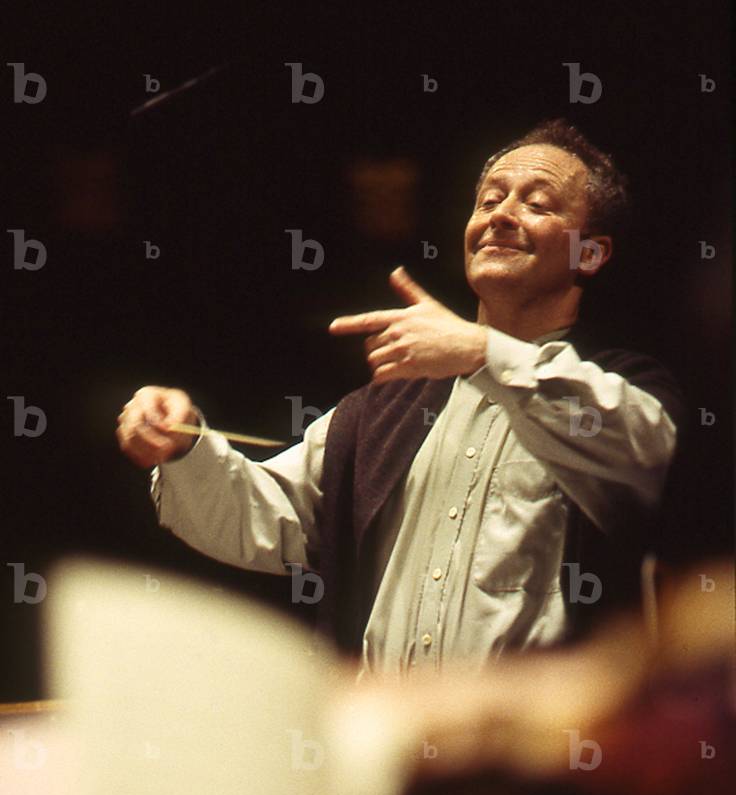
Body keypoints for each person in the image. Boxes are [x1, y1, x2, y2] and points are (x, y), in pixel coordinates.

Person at [116, 119, 684, 674]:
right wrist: (183, 444)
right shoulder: (388, 405)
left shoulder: (620, 387)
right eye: (488, 201)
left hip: (535, 746)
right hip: (393, 734)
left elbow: (647, 452)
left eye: (537, 204)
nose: (501, 216)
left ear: (590, 253)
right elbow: (265, 515)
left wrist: (485, 352)